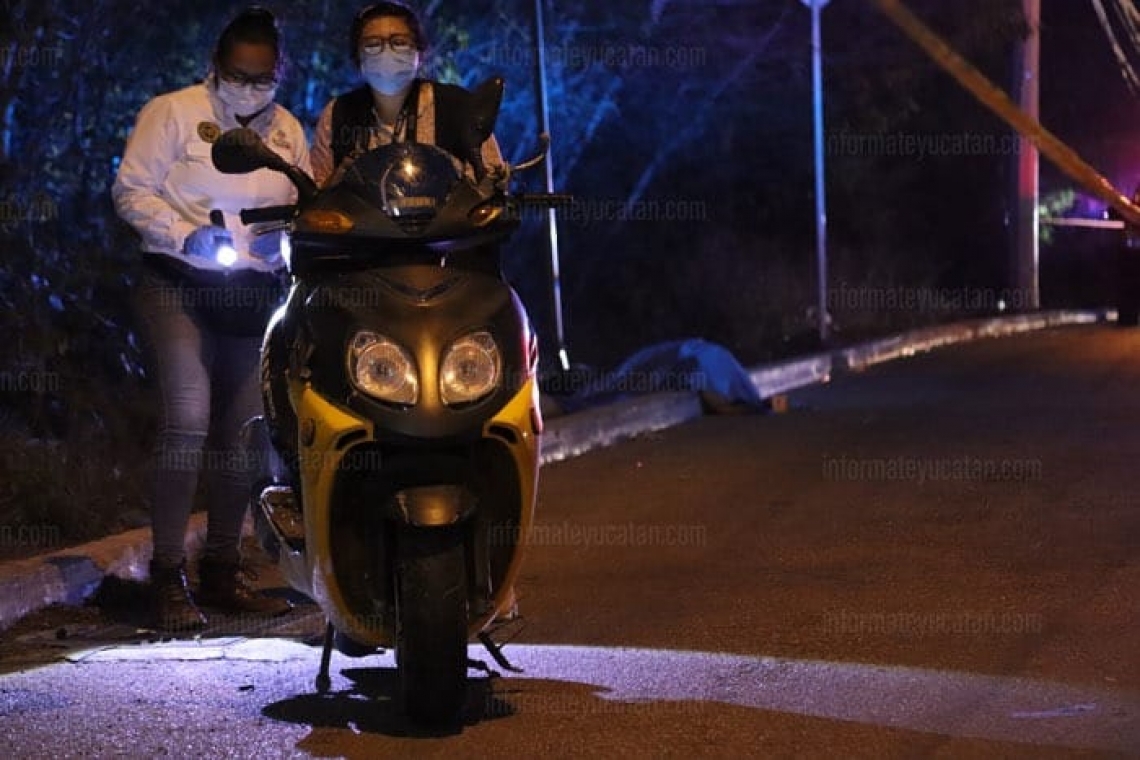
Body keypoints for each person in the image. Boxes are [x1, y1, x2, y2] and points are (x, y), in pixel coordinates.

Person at [112, 7, 310, 631]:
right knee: (188, 420)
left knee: (245, 436)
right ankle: (166, 577)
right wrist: (185, 235)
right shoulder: (170, 113)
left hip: (253, 296)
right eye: (238, 75)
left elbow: (306, 204)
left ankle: (223, 572)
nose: (250, 89)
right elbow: (131, 190)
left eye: (262, 78)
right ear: (216, 68)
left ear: (279, 74)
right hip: (180, 284)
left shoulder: (288, 135)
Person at [309, 1, 504, 187]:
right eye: (372, 44)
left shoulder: (458, 107)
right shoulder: (338, 113)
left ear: (420, 53)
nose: (387, 52)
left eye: (399, 42)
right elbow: (318, 195)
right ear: (357, 56)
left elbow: (491, 184)